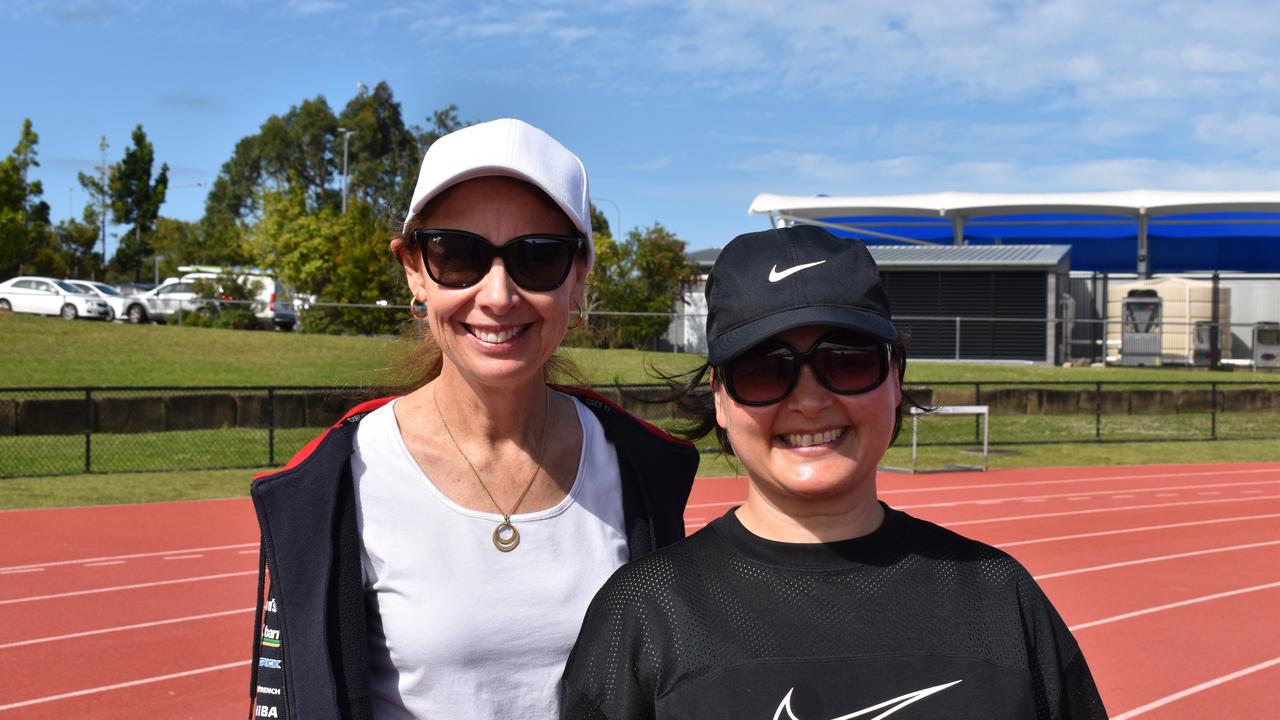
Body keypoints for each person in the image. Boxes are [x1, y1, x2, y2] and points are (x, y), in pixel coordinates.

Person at [248, 119, 699, 720]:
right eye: (457, 255)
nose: (498, 295)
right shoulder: (336, 482)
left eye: (537, 258)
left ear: (580, 275)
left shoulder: (638, 467)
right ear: (413, 268)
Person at [561, 225, 1107, 719]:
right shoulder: (647, 614)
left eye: (846, 359)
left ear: (895, 378)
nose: (810, 400)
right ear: (720, 400)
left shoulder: (998, 598)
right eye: (763, 369)